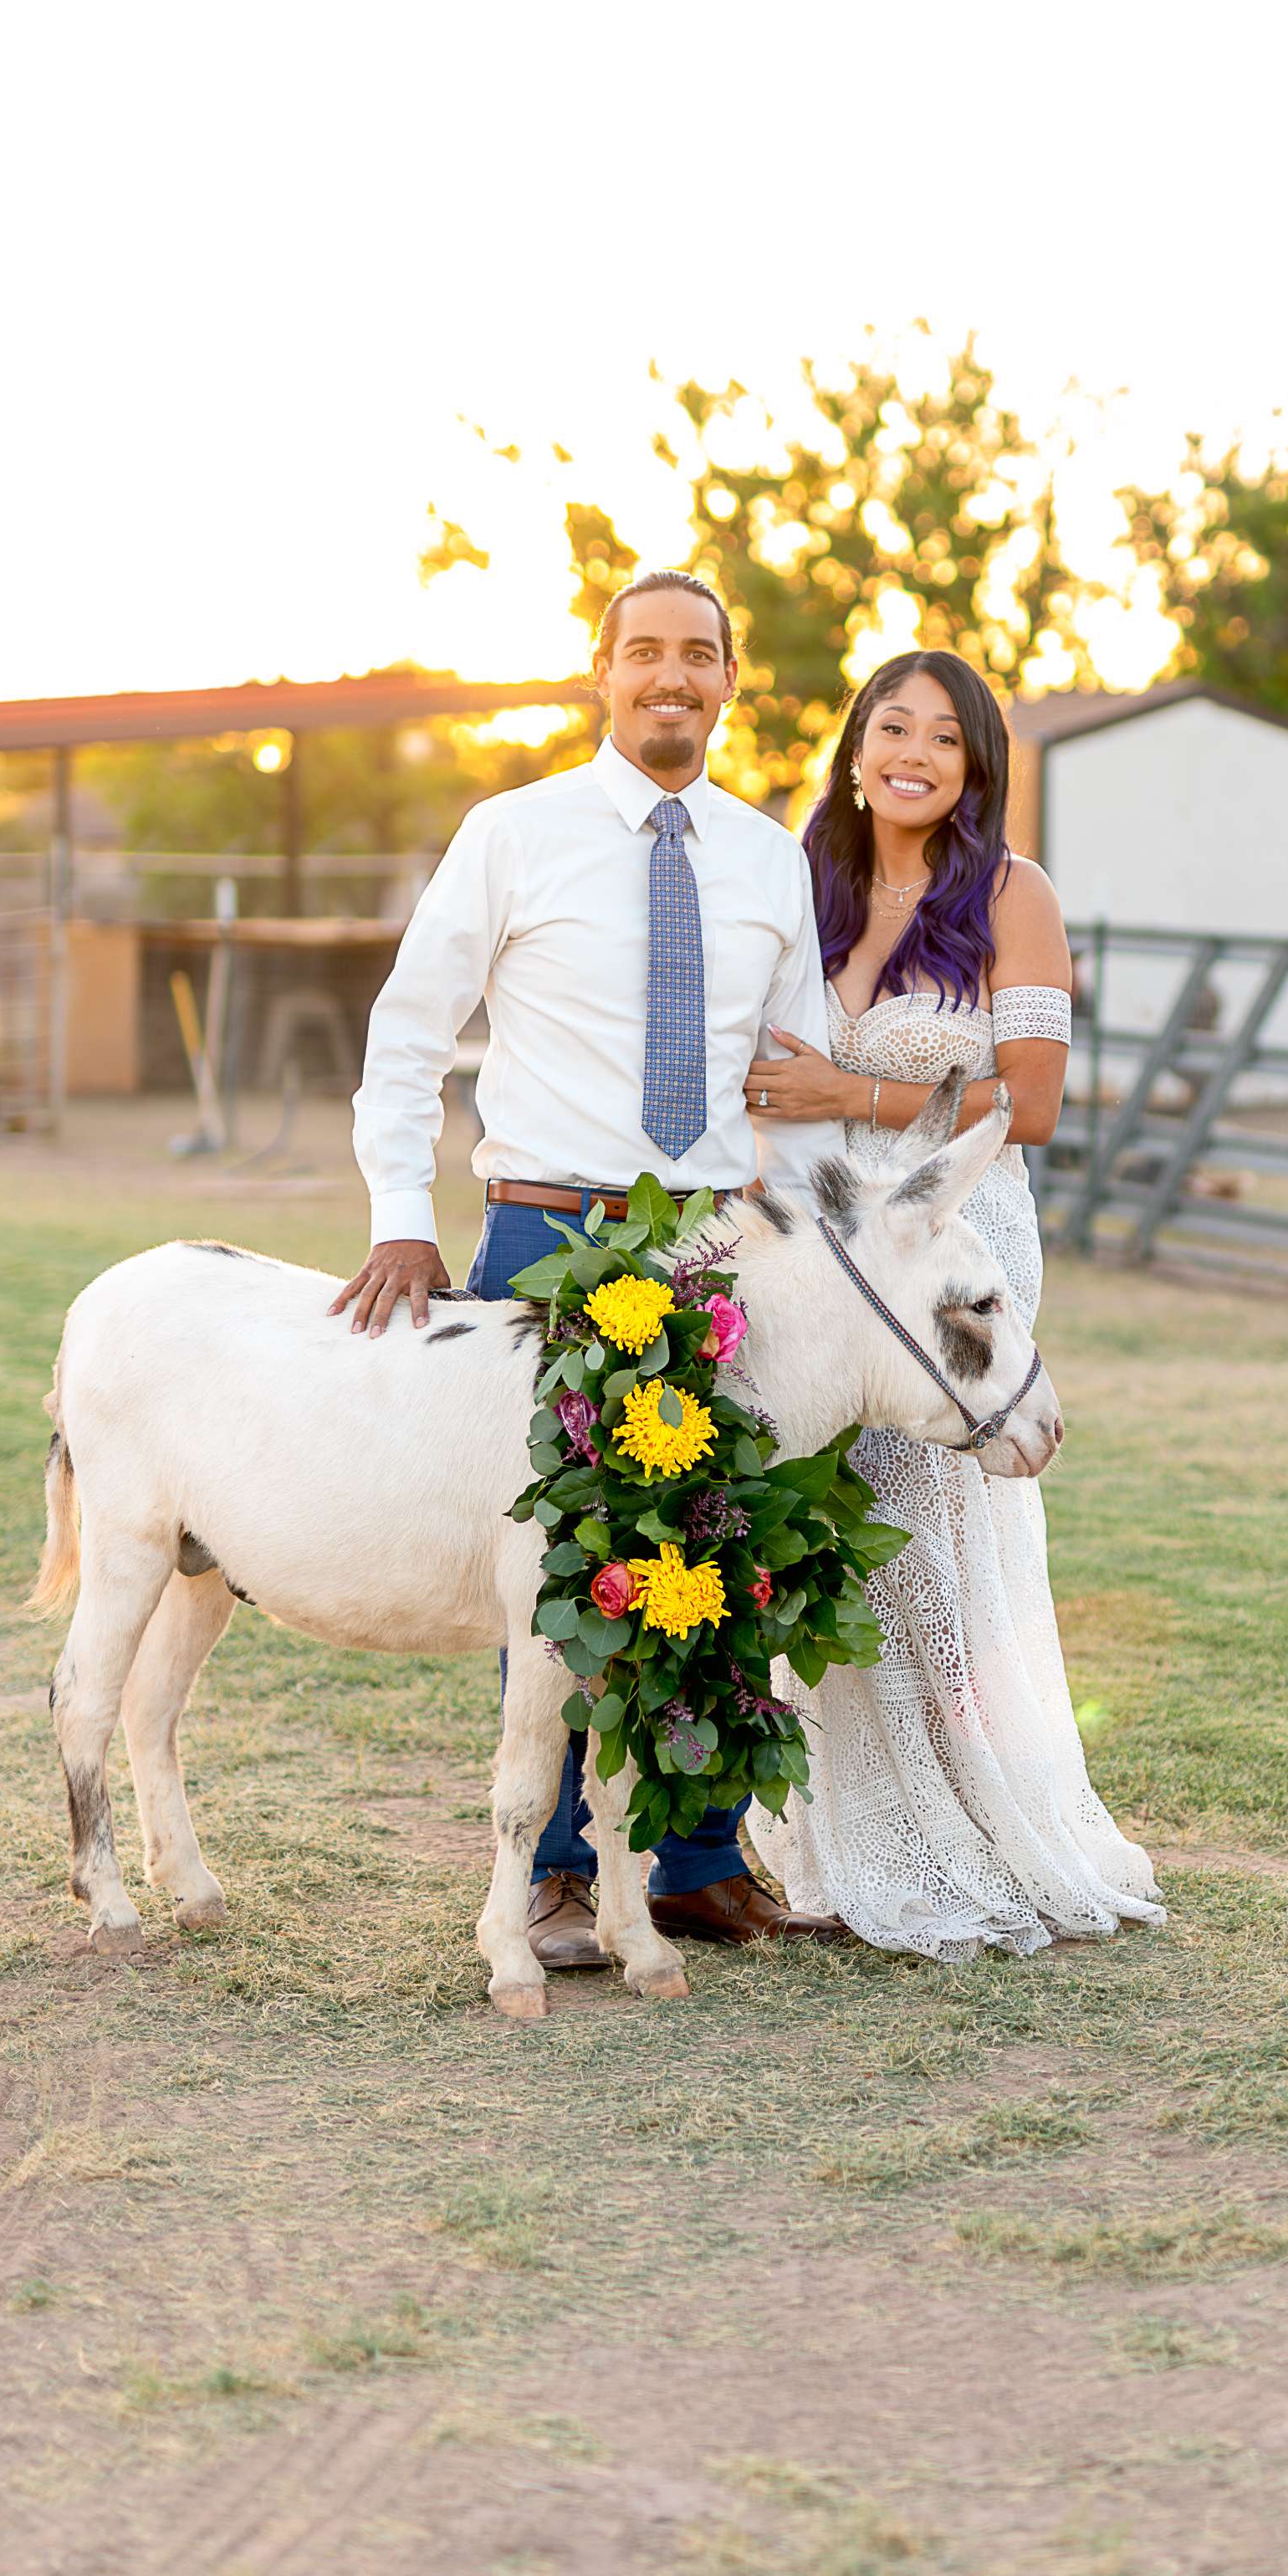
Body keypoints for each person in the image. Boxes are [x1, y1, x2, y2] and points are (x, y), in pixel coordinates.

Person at [335, 569, 851, 1970]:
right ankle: (558, 1872)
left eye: (700, 654)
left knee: (725, 1553)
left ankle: (692, 1862)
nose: (671, 675)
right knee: (560, 1563)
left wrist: (803, 1255)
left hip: (716, 1241)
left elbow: (794, 1073)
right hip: (550, 1237)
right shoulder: (514, 833)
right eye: (645, 653)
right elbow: (408, 1025)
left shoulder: (769, 860)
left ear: (731, 680)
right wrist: (400, 1209)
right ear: (602, 673)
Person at [739, 648, 1164, 1957]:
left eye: (945, 738)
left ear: (976, 766)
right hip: (815, 1261)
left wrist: (847, 1097)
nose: (913, 754)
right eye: (892, 727)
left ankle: (960, 1830)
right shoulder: (800, 884)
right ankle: (826, 1837)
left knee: (924, 1552)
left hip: (957, 1255)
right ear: (856, 746)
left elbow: (1030, 1106)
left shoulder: (1012, 897)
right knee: (809, 1537)